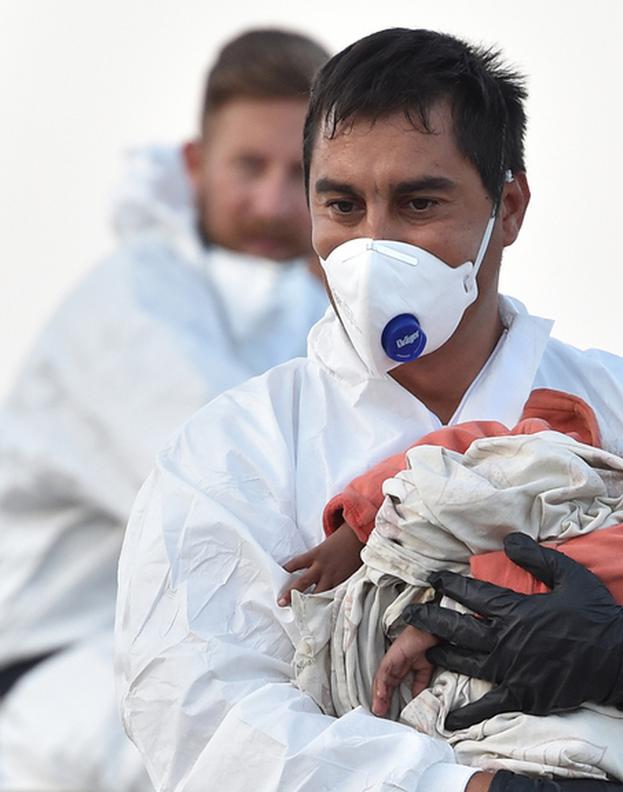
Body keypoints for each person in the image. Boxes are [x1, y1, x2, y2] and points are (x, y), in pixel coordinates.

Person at [114, 28, 623, 792]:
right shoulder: (232, 453)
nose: (374, 247)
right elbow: (203, 720)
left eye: (419, 203)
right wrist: (476, 787)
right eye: (344, 207)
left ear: (511, 208)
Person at [0, 29, 329, 792]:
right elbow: (245, 506)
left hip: (170, 674)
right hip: (58, 694)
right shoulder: (133, 302)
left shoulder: (290, 307)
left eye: (304, 175)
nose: (274, 204)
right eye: (250, 166)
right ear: (195, 164)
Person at [281, 389, 623, 792]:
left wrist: (448, 613)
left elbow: (570, 578)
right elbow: (449, 454)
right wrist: (358, 524)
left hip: (500, 669)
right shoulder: (549, 442)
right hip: (409, 595)